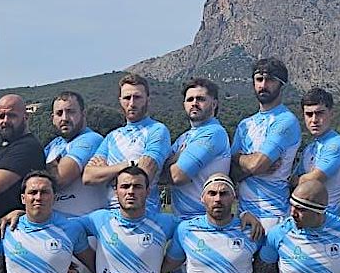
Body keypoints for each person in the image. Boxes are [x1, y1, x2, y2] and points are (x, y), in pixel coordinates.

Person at [231, 58, 302, 234]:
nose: (263, 85)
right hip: (244, 214)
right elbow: (231, 172)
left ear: (282, 85)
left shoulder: (286, 121)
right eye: (259, 79)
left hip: (274, 216)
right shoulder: (245, 125)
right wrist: (248, 162)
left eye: (270, 80)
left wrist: (242, 159)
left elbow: (258, 164)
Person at [84, 73, 172, 208]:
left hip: (145, 214)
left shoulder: (157, 130)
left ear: (148, 99)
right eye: (127, 98)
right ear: (120, 100)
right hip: (112, 215)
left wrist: (107, 173)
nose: (131, 103)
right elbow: (88, 177)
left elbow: (143, 176)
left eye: (137, 97)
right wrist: (127, 165)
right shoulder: (112, 136)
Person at [163, 78, 231, 219]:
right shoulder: (183, 137)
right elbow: (157, 173)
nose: (194, 103)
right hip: (180, 220)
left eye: (200, 99)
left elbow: (177, 176)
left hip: (203, 220)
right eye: (190, 99)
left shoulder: (214, 133)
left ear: (214, 104)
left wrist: (174, 159)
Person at [0, 93, 45, 219]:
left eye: (11, 115)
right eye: (1, 116)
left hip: (11, 226)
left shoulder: (28, 147)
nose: (5, 121)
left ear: (25, 117)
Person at [43, 90, 108, 217]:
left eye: (71, 112)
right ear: (53, 118)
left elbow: (59, 179)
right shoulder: (53, 145)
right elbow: (31, 177)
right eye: (59, 113)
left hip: (85, 227)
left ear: (83, 114)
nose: (65, 118)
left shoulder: (92, 139)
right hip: (55, 226)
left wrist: (44, 169)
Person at [295, 88, 340, 215]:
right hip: (305, 220)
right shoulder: (309, 149)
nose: (314, 120)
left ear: (331, 113)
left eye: (320, 113)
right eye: (309, 114)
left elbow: (311, 181)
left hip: (328, 222)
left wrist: (293, 180)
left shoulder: (338, 144)